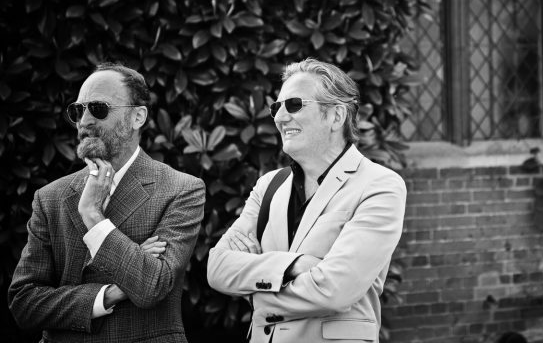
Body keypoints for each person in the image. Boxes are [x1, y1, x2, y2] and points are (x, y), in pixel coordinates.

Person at [207, 58, 407, 343]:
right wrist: (296, 266)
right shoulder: (269, 186)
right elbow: (217, 268)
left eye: (294, 105)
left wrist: (254, 290)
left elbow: (335, 291)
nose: (279, 117)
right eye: (276, 107)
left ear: (336, 116)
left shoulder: (379, 185)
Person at [8, 63, 206, 342]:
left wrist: (93, 215)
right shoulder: (50, 197)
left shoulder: (181, 189)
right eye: (78, 111)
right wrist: (108, 294)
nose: (84, 121)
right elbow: (23, 303)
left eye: (98, 109)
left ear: (138, 117)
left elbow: (152, 286)